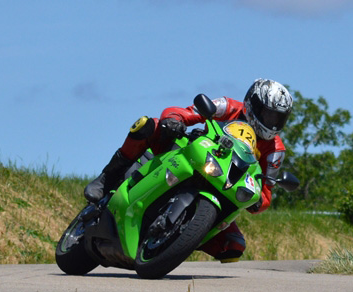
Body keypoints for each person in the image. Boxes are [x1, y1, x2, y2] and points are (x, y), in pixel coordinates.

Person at [84, 78, 293, 262]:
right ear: (251, 103)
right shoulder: (228, 106)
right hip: (193, 155)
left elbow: (266, 191)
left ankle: (178, 238)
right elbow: (185, 112)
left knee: (233, 247)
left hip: (225, 186)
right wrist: (174, 120)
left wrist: (258, 201)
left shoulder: (276, 150)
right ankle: (106, 178)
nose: (271, 123)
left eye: (277, 118)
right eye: (267, 115)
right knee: (148, 125)